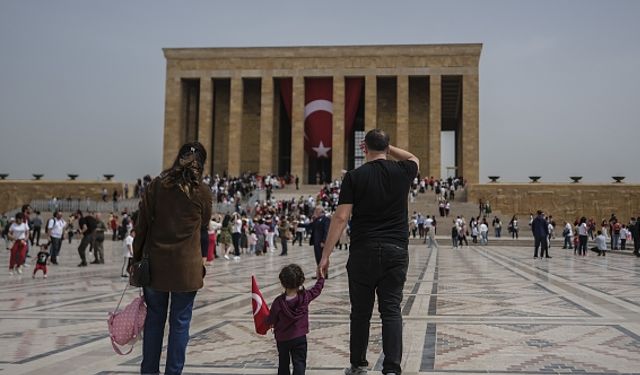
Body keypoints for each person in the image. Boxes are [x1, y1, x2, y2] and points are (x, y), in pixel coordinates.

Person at [319, 129, 419, 375]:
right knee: (391, 309)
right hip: (395, 250)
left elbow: (341, 217)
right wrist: (388, 147)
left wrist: (325, 255)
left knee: (361, 312)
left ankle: (358, 364)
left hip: (363, 250)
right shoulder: (404, 171)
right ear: (386, 147)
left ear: (364, 148)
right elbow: (414, 158)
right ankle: (392, 368)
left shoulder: (354, 176)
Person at [133, 141, 212, 375]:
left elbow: (142, 226)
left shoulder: (156, 186)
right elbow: (204, 227)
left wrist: (136, 259)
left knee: (154, 321)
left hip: (156, 266)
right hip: (186, 270)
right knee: (180, 324)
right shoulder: (202, 191)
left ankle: (148, 372)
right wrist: (204, 260)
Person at [265, 264, 325, 375]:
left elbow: (271, 319)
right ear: (301, 281)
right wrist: (321, 278)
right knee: (299, 363)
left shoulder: (278, 302)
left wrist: (266, 320)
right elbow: (317, 290)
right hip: (299, 337)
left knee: (283, 363)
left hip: (282, 339)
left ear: (282, 282)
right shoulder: (305, 296)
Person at [310, 206, 330, 273]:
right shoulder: (316, 219)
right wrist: (299, 224)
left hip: (321, 243)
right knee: (318, 258)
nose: (315, 211)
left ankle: (324, 273)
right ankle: (319, 273)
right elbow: (310, 225)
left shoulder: (326, 219)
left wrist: (323, 241)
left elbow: (326, 231)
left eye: (316, 210)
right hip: (316, 242)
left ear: (320, 211)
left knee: (322, 258)